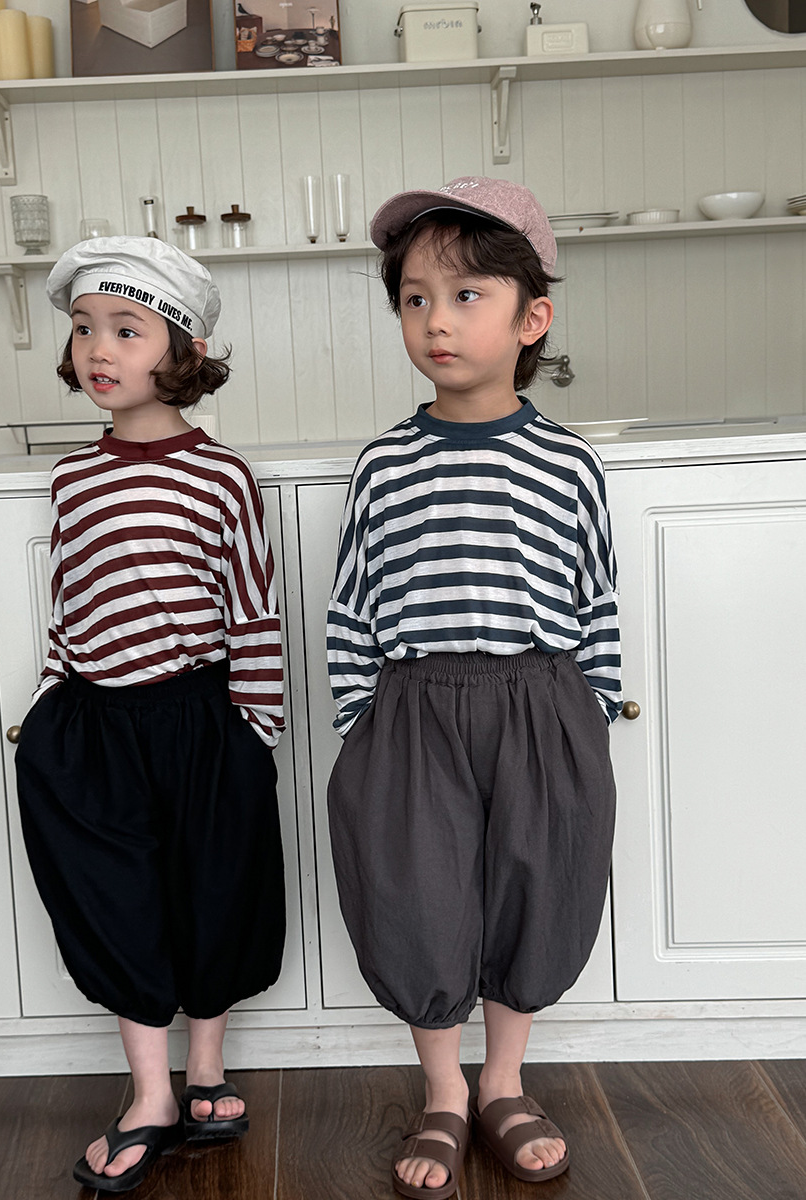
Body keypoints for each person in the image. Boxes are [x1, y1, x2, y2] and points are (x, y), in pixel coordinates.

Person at [326, 178, 620, 1198]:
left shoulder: (569, 463)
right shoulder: (384, 465)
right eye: (414, 299)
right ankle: (444, 1089)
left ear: (532, 318)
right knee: (417, 891)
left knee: (538, 882)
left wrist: (587, 716)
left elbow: (595, 597)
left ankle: (504, 1081)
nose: (436, 321)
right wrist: (362, 721)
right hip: (414, 708)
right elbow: (354, 600)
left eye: (465, 296)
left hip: (540, 702)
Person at [14, 236, 286, 1194]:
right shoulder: (72, 478)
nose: (99, 348)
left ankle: (205, 1070)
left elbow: (253, 605)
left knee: (212, 890)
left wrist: (255, 730)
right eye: (85, 328)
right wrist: (51, 698)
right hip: (94, 725)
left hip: (200, 719)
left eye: (126, 329)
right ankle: (150, 1093)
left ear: (183, 350)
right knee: (115, 898)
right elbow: (69, 598)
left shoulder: (221, 476)